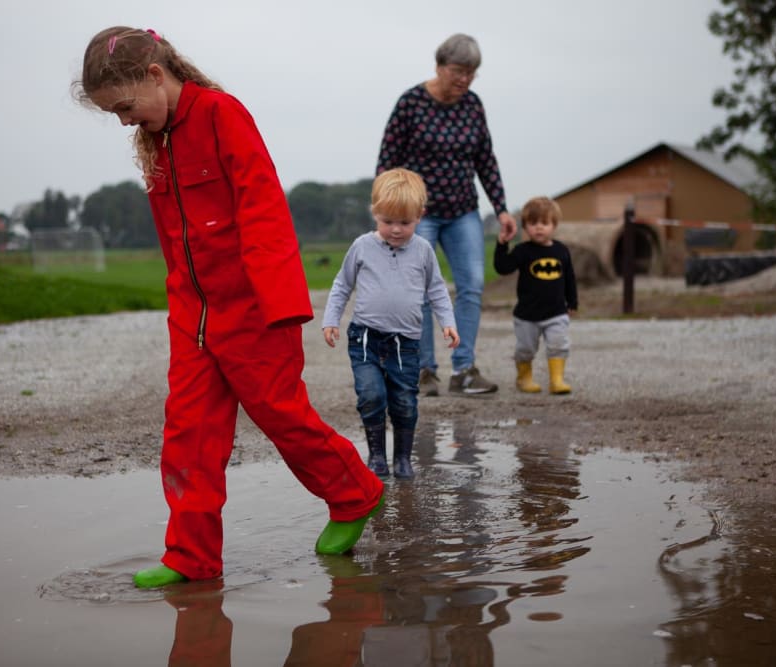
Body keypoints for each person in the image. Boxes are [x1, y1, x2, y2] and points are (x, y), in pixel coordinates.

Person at [75, 26, 384, 588]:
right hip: (193, 317)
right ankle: (190, 557)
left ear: (154, 75)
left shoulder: (221, 114)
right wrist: (181, 309)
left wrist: (284, 305)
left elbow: (263, 205)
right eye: (113, 114)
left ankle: (354, 494)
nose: (123, 121)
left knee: (282, 416)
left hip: (253, 309)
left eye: (124, 107)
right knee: (188, 433)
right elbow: (177, 243)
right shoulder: (155, 141)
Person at [376, 33, 517, 398]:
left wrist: (501, 208)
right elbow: (387, 160)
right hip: (417, 216)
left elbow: (485, 159)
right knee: (419, 290)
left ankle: (465, 370)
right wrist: (387, 212)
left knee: (471, 286)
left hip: (463, 211)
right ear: (439, 66)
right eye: (458, 71)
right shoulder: (411, 103)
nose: (465, 79)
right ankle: (423, 371)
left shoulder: (473, 106)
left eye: (472, 73)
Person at [322, 168, 459, 479]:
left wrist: (447, 322)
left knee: (404, 402)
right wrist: (331, 319)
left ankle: (403, 459)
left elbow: (436, 289)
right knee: (371, 395)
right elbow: (342, 284)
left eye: (405, 223)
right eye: (388, 222)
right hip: (366, 338)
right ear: (375, 213)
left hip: (406, 343)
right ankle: (377, 457)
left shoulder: (423, 250)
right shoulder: (361, 247)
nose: (396, 230)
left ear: (420, 216)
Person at [493, 196, 577, 394]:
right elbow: (502, 267)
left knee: (559, 345)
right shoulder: (523, 251)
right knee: (526, 350)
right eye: (533, 223)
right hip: (527, 315)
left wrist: (572, 301)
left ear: (554, 225)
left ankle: (557, 380)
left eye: (544, 223)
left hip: (556, 313)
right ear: (524, 227)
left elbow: (570, 278)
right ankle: (524, 378)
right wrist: (502, 244)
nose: (539, 228)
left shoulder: (561, 251)